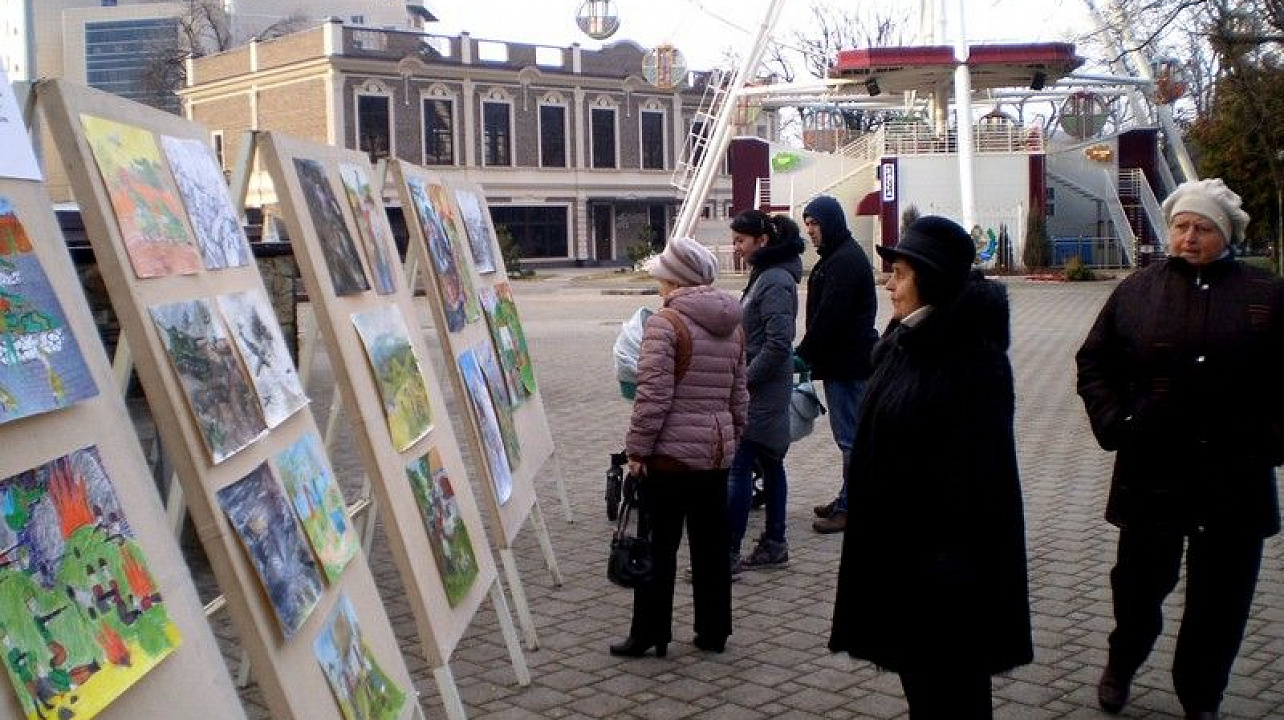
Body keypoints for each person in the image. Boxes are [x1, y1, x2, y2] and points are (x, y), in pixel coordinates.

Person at [1075, 178, 1284, 720]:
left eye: (1203, 228)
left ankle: (1202, 697)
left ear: (1227, 235)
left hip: (1234, 481)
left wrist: (1273, 437)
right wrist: (1114, 419)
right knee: (1138, 593)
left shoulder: (1265, 296)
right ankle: (1122, 663)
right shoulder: (1137, 290)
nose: (1189, 237)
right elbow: (1095, 362)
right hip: (1153, 476)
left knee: (1220, 604)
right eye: (1181, 226)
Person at [828, 215, 1033, 719]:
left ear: (930, 276)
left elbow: (980, 482)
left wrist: (948, 568)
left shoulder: (970, 360)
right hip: (905, 561)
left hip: (942, 576)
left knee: (953, 692)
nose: (888, 284)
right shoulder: (907, 341)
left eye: (898, 273)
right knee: (925, 689)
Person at [612, 236, 748, 658]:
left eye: (662, 276)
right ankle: (714, 631)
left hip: (669, 458)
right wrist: (731, 437)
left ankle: (650, 633)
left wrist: (636, 451)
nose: (658, 283)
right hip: (714, 455)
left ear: (675, 279)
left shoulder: (665, 324)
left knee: (659, 546)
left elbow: (652, 397)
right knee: (710, 546)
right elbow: (739, 394)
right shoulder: (733, 323)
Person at [794, 195, 878, 534]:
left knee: (851, 439)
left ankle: (851, 507)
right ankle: (847, 497)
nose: (811, 231)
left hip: (849, 363)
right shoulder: (838, 256)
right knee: (849, 437)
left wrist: (803, 354)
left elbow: (830, 317)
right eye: (808, 224)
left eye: (815, 224)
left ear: (830, 223)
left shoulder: (844, 261)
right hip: (843, 361)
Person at [726, 209, 804, 571]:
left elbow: (777, 343)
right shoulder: (767, 275)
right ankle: (774, 542)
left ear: (763, 241)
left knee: (739, 469)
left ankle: (727, 554)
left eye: (741, 240)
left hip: (762, 392)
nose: (736, 247)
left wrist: (744, 381)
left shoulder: (774, 280)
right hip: (763, 387)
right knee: (772, 464)